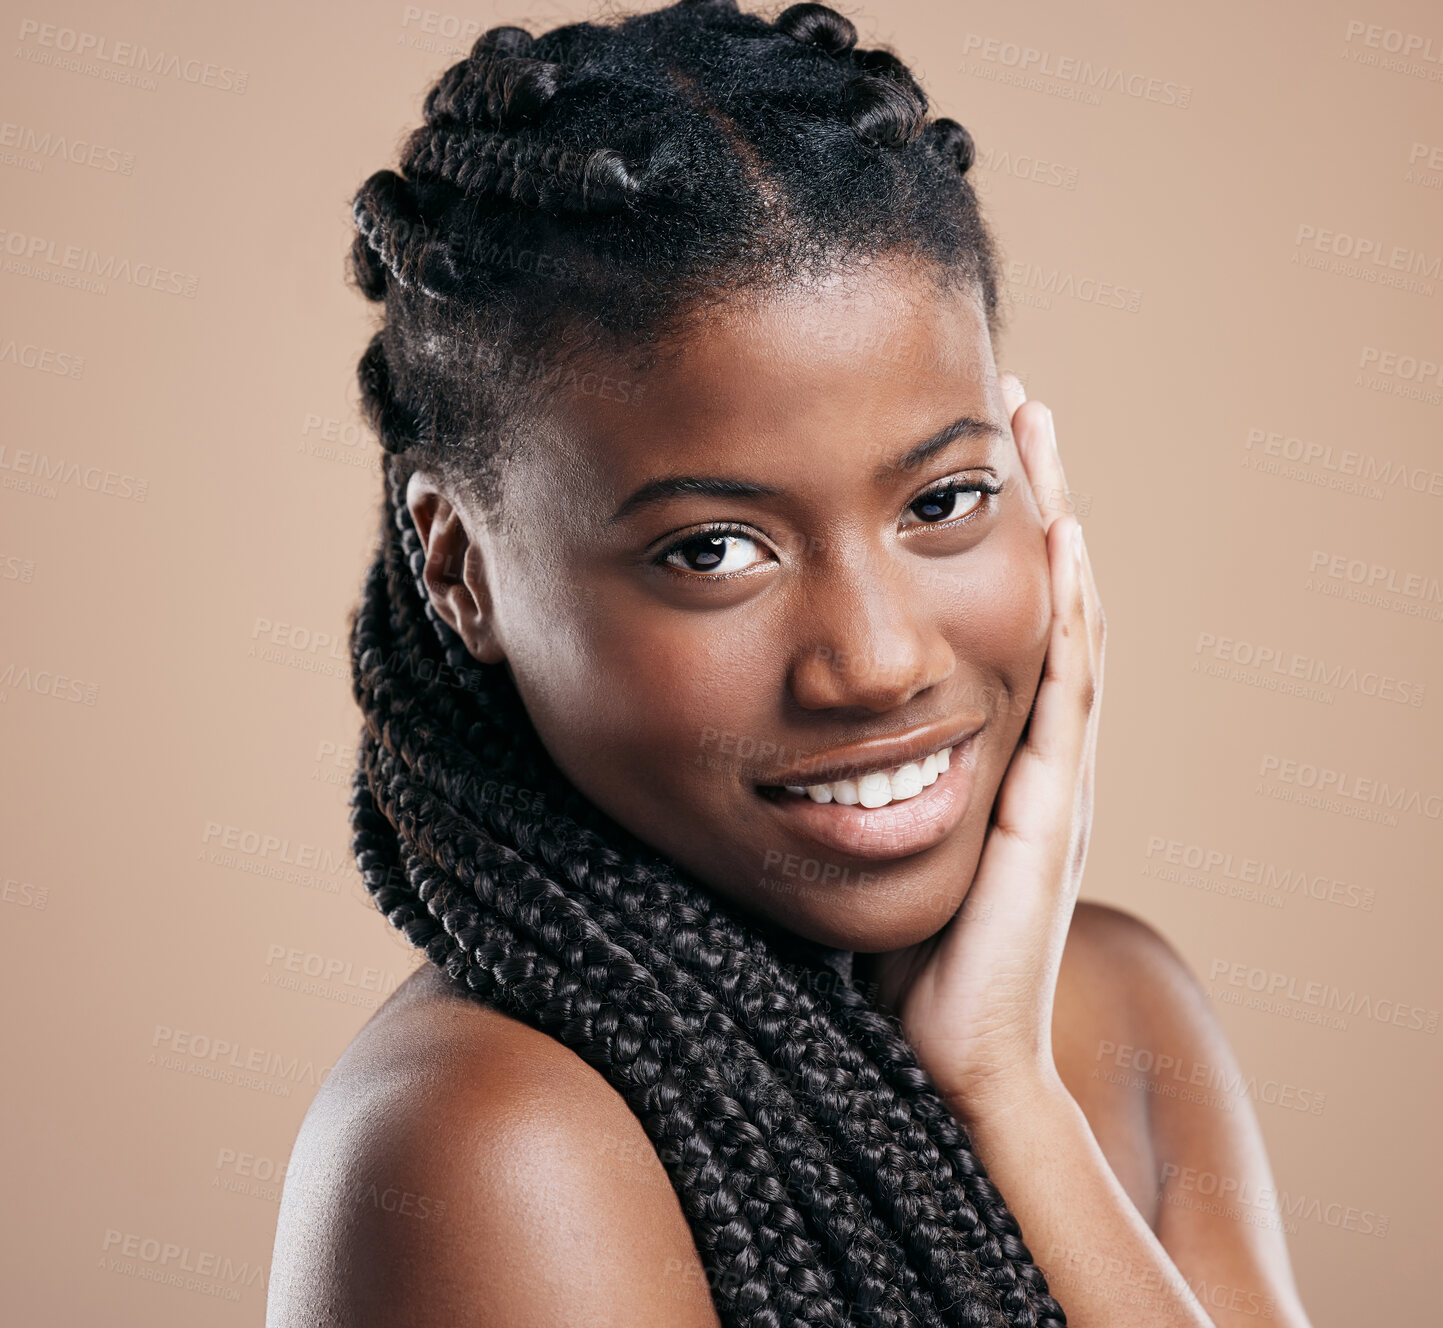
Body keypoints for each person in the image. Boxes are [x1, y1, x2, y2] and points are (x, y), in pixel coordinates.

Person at [268, 3, 1315, 1324]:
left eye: (943, 501)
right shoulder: (494, 1149)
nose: (876, 663)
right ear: (457, 566)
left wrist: (1004, 1087)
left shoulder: (1110, 1006)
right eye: (712, 550)